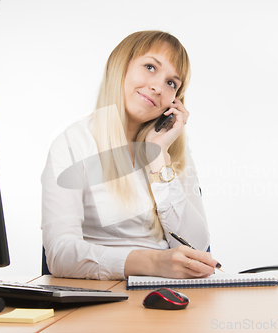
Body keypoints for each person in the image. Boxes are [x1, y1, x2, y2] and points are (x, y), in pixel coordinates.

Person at [41, 30, 221, 280]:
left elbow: (197, 249)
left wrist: (158, 159)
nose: (158, 87)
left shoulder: (172, 148)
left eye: (172, 83)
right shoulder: (74, 143)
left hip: (170, 292)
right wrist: (151, 263)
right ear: (120, 66)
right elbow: (60, 255)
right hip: (103, 295)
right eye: (150, 67)